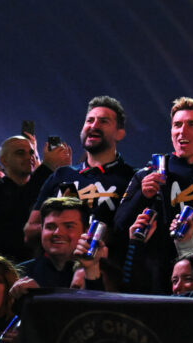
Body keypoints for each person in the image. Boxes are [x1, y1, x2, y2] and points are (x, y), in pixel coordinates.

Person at [112, 98, 193, 294]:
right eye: (177, 125)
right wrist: (143, 196)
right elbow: (120, 227)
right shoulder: (149, 173)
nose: (183, 131)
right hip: (159, 278)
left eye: (192, 124)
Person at [26, 97, 135, 251]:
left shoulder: (133, 178)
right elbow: (30, 231)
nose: (94, 125)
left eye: (104, 121)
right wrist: (60, 225)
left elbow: (134, 233)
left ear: (119, 134)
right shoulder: (62, 175)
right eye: (89, 120)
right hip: (59, 264)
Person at [0, 136, 46, 262]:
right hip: (2, 266)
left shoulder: (42, 189)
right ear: (4, 160)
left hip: (37, 265)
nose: (29, 157)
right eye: (20, 153)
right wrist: (46, 168)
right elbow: (16, 210)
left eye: (31, 152)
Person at [12, 197, 105, 293]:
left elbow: (99, 302)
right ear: (41, 230)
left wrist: (91, 269)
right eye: (50, 227)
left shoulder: (103, 272)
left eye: (68, 226)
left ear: (86, 231)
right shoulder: (18, 274)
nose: (57, 233)